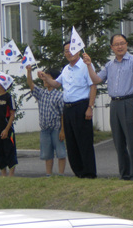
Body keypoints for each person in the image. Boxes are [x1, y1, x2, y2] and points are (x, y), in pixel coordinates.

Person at [86, 34, 133, 181]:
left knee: (132, 141)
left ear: (127, 44)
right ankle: (124, 174)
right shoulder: (109, 65)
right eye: (116, 44)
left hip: (130, 102)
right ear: (112, 47)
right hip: (115, 104)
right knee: (118, 141)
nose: (120, 46)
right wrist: (88, 65)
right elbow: (97, 80)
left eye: (122, 43)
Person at [39, 41, 98, 179]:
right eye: (66, 51)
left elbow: (93, 86)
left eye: (72, 49)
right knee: (71, 142)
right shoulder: (66, 69)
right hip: (68, 108)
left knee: (84, 141)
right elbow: (56, 84)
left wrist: (90, 107)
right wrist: (45, 77)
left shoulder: (86, 66)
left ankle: (89, 173)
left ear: (78, 51)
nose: (69, 53)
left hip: (82, 106)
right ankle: (78, 172)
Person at [26, 64, 67, 176]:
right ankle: (49, 174)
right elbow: (31, 84)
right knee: (47, 154)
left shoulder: (59, 96)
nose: (44, 80)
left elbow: (63, 114)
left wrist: (63, 130)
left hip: (56, 129)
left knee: (60, 153)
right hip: (44, 129)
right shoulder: (41, 93)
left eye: (47, 77)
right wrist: (29, 71)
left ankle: (61, 174)